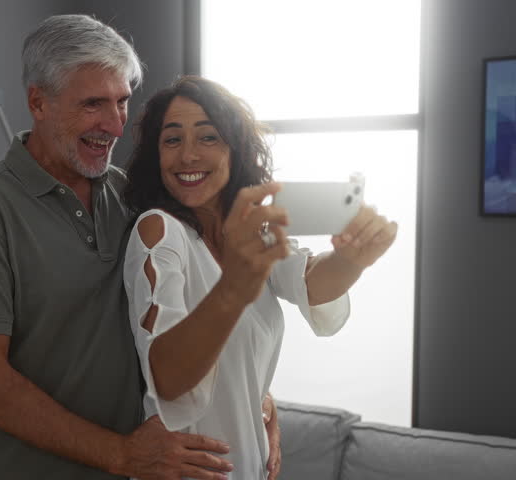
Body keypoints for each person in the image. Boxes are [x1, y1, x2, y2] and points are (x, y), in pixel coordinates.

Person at [0, 15, 251, 480]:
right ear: (38, 102)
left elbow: (192, 320)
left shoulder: (136, 199)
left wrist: (257, 396)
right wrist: (123, 454)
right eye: (93, 104)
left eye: (122, 102)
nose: (115, 125)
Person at [122, 76, 397, 479]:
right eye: (173, 140)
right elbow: (168, 379)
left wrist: (352, 259)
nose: (188, 156)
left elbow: (311, 283)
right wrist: (233, 287)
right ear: (155, 154)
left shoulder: (252, 229)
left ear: (235, 148)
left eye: (208, 138)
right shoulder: (159, 231)